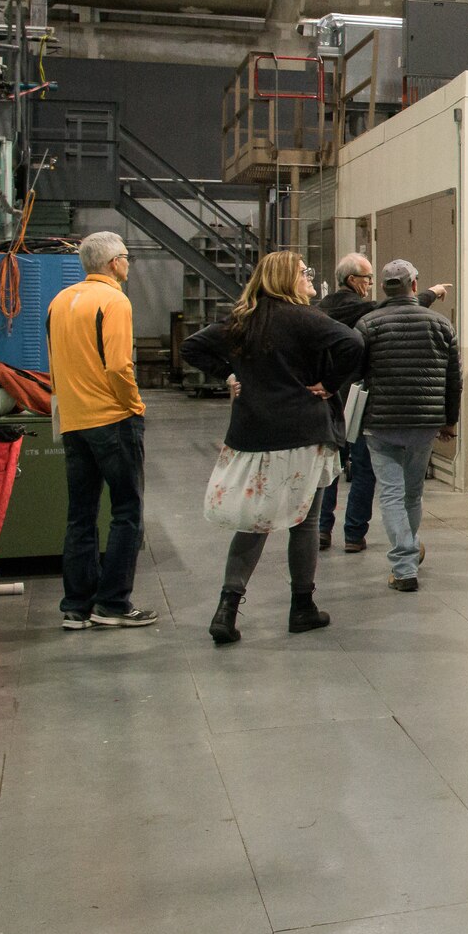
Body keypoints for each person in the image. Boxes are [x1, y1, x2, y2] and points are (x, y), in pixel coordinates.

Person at [182, 251, 364, 645]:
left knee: (254, 523)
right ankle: (302, 607)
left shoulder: (241, 320)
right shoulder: (305, 317)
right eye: (304, 272)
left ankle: (227, 608)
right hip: (303, 432)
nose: (309, 278)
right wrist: (330, 383)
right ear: (285, 279)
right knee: (306, 522)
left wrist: (229, 375)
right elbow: (353, 343)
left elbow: (192, 347)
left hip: (254, 432)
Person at [46, 231, 157, 630]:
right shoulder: (114, 301)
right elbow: (118, 366)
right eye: (127, 257)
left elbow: (54, 365)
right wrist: (134, 405)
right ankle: (112, 603)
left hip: (73, 421)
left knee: (81, 515)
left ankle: (76, 606)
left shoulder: (59, 301)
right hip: (112, 420)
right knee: (127, 512)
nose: (128, 263)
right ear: (114, 263)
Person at [315, 253, 448, 554]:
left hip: (329, 399)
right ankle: (354, 534)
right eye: (367, 279)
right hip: (360, 402)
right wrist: (432, 293)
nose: (371, 284)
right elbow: (392, 309)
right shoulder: (361, 312)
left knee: (331, 468)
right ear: (352, 280)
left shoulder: (320, 309)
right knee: (365, 471)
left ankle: (322, 530)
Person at [357, 258, 462, 593]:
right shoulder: (441, 324)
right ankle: (409, 555)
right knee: (413, 493)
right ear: (414, 285)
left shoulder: (368, 324)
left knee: (391, 494)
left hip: (382, 423)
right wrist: (449, 421)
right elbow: (453, 380)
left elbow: (357, 372)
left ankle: (404, 566)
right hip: (423, 423)